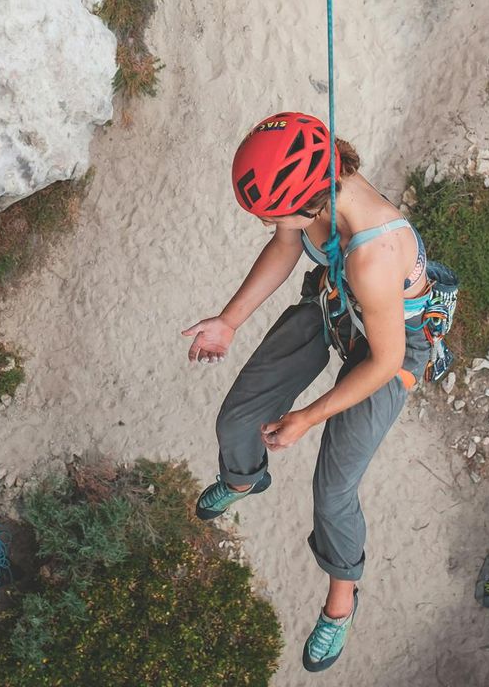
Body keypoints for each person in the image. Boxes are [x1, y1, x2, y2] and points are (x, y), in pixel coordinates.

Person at [184, 112, 455, 674]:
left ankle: (341, 601)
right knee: (237, 417)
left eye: (269, 215)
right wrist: (230, 321)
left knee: (333, 491)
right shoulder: (314, 184)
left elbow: (383, 363)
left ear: (309, 201)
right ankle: (241, 477)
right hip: (336, 300)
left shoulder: (375, 254)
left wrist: (308, 416)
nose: (267, 225)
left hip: (390, 346)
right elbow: (287, 244)